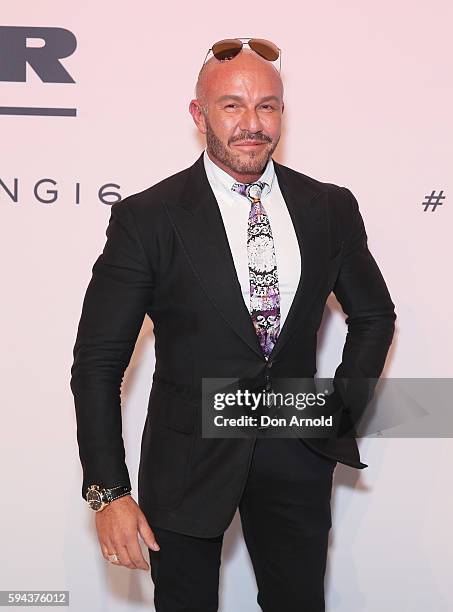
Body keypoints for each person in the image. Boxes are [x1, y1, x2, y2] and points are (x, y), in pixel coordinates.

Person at [70, 38, 396, 611]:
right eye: (232, 106)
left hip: (298, 457)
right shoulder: (148, 218)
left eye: (267, 106)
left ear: (282, 114)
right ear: (199, 116)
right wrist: (108, 492)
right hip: (186, 461)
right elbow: (98, 365)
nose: (253, 123)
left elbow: (373, 316)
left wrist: (335, 414)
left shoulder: (328, 207)